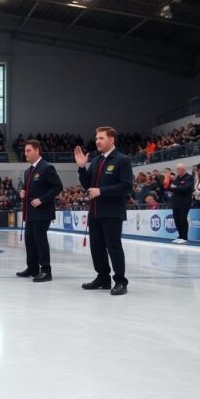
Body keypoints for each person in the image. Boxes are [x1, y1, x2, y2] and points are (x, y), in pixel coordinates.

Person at [74, 126, 133, 296]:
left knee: (113, 246)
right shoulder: (97, 161)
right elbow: (87, 185)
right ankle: (103, 277)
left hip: (112, 212)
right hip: (95, 211)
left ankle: (121, 281)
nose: (97, 141)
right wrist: (81, 168)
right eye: (97, 138)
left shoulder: (122, 160)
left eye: (101, 138)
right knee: (96, 247)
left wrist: (102, 191)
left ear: (111, 139)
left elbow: (126, 186)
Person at [16, 140, 63, 282]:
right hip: (30, 213)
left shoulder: (47, 167)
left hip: (42, 212)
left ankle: (46, 270)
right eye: (25, 151)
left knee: (40, 240)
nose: (26, 153)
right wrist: (22, 192)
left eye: (28, 150)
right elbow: (27, 188)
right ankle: (32, 268)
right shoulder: (28, 171)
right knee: (29, 240)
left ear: (37, 151)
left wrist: (42, 199)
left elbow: (57, 187)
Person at [169, 163, 193, 244]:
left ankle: (184, 237)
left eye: (179, 169)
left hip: (184, 202)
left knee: (183, 219)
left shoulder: (189, 177)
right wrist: (172, 187)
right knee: (176, 220)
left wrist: (176, 187)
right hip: (176, 202)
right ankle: (180, 236)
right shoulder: (177, 178)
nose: (178, 171)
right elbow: (171, 188)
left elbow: (187, 188)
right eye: (177, 169)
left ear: (183, 169)